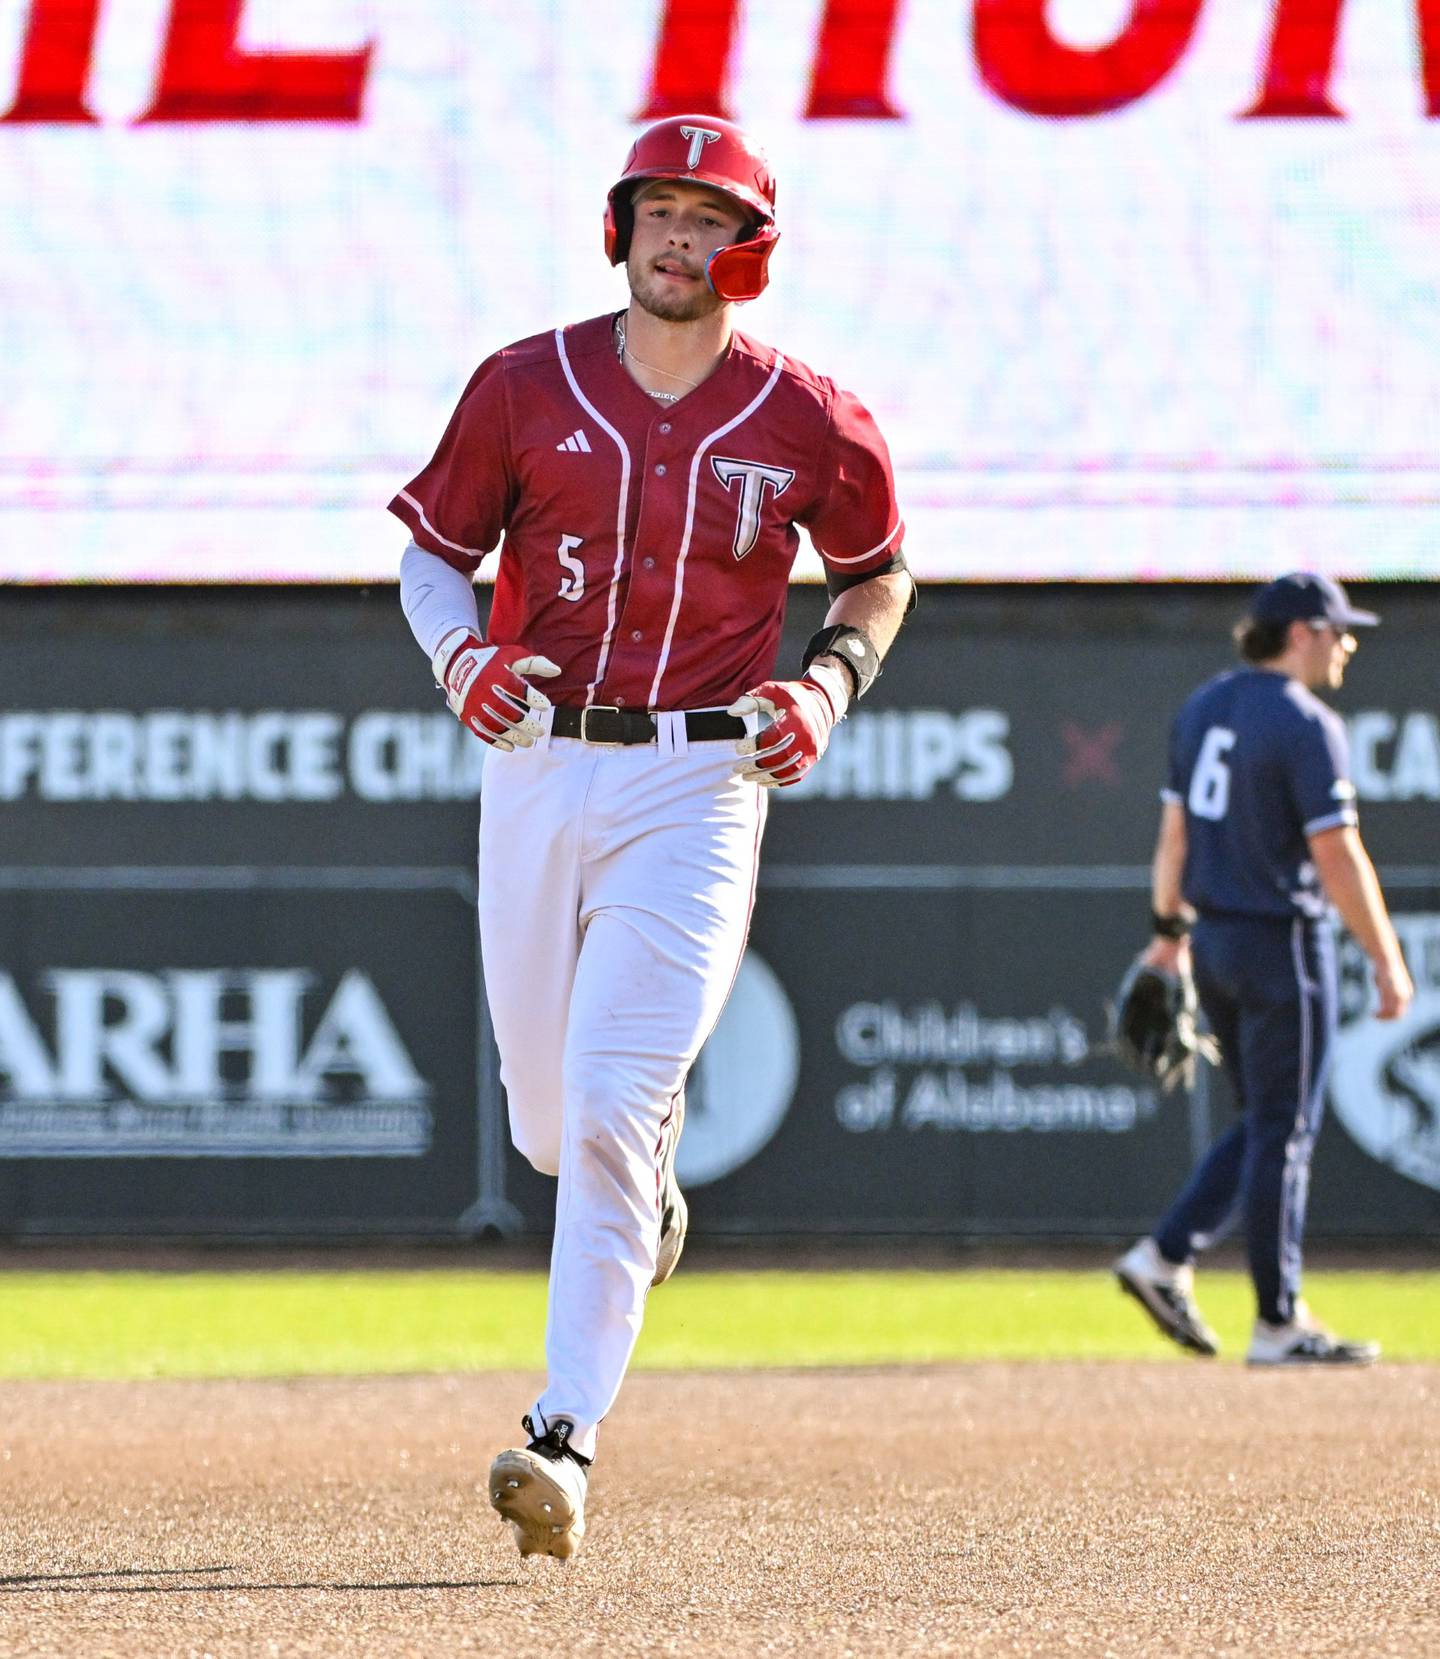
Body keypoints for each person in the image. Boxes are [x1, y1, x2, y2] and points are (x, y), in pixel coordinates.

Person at [389, 115, 913, 1557]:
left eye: (709, 216)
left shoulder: (808, 412)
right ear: (618, 228)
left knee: (614, 1102)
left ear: (751, 244)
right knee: (549, 1123)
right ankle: (645, 1181)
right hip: (539, 757)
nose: (681, 238)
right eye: (660, 212)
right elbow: (436, 554)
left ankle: (565, 1433)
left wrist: (829, 678)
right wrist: (458, 659)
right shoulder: (522, 382)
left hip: (698, 777)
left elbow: (877, 577)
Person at [1114, 572, 1413, 1366]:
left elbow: (1173, 837)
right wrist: (1386, 958)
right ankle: (1278, 1320)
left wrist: (1167, 934)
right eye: (1341, 630)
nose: (1348, 644)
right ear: (1304, 631)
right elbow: (1336, 852)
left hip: (1214, 942)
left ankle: (1164, 1254)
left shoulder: (1205, 703)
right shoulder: (1305, 720)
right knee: (1285, 1130)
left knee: (1262, 1124)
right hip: (1284, 941)